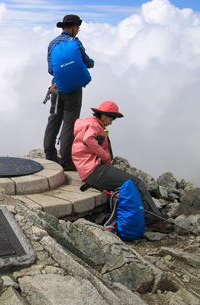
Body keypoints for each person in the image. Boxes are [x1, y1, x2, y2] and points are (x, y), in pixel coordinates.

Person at [72, 101, 173, 233]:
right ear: (104, 115)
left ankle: (151, 214)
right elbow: (88, 139)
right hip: (95, 171)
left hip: (89, 171)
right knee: (136, 183)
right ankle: (153, 220)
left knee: (128, 185)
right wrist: (104, 156)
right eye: (111, 118)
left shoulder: (88, 124)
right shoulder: (95, 126)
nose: (111, 122)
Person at [44, 14, 95, 171]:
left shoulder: (53, 43)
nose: (77, 30)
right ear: (73, 27)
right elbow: (88, 62)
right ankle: (66, 160)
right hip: (73, 89)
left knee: (54, 118)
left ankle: (50, 154)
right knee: (69, 122)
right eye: (77, 27)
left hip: (56, 87)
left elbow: (51, 69)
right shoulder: (75, 42)